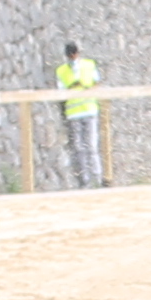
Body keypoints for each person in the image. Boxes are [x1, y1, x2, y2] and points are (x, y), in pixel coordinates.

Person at [54, 37, 104, 188]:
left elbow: (97, 84)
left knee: (91, 146)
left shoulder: (89, 65)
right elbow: (61, 91)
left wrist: (85, 89)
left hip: (89, 110)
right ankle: (84, 181)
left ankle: (98, 178)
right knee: (78, 148)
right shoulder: (61, 70)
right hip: (74, 113)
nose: (72, 58)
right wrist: (73, 87)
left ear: (77, 53)